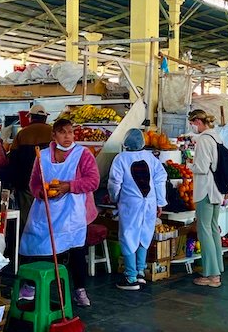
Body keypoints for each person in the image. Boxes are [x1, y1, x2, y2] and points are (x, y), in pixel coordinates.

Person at [21, 118, 100, 307]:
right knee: (36, 248)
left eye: (70, 132)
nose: (68, 136)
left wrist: (69, 186)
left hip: (72, 212)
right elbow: (34, 183)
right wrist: (42, 192)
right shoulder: (42, 155)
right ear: (54, 135)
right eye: (63, 132)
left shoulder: (83, 154)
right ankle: (29, 288)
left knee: (76, 251)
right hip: (45, 209)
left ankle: (79, 290)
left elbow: (93, 181)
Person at [108, 129, 167, 291]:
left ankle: (130, 277)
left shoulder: (120, 159)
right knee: (144, 234)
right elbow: (161, 180)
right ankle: (141, 272)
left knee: (128, 236)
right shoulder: (151, 158)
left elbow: (114, 183)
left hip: (130, 204)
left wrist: (114, 198)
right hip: (150, 203)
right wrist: (160, 202)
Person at [188, 109, 224, 287]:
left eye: (192, 123)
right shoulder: (217, 137)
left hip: (205, 190)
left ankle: (211, 274)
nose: (192, 127)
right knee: (213, 229)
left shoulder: (203, 139)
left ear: (197, 122)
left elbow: (201, 167)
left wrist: (189, 165)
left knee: (205, 231)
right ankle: (218, 269)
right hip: (217, 190)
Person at [9, 105, 53, 231]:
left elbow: (13, 160)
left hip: (26, 184)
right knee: (48, 217)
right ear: (45, 118)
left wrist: (14, 183)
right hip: (49, 183)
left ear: (31, 117)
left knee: (28, 217)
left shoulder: (22, 133)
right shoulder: (53, 132)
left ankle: (27, 246)